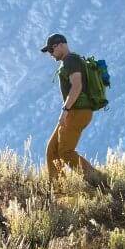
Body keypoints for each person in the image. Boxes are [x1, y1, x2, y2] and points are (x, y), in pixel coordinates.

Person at [41, 33, 101, 187]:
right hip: (75, 111)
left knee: (66, 152)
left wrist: (65, 110)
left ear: (60, 45)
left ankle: (101, 183)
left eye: (51, 50)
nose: (50, 54)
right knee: (52, 150)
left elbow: (77, 85)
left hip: (77, 111)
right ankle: (60, 191)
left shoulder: (71, 60)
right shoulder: (70, 60)